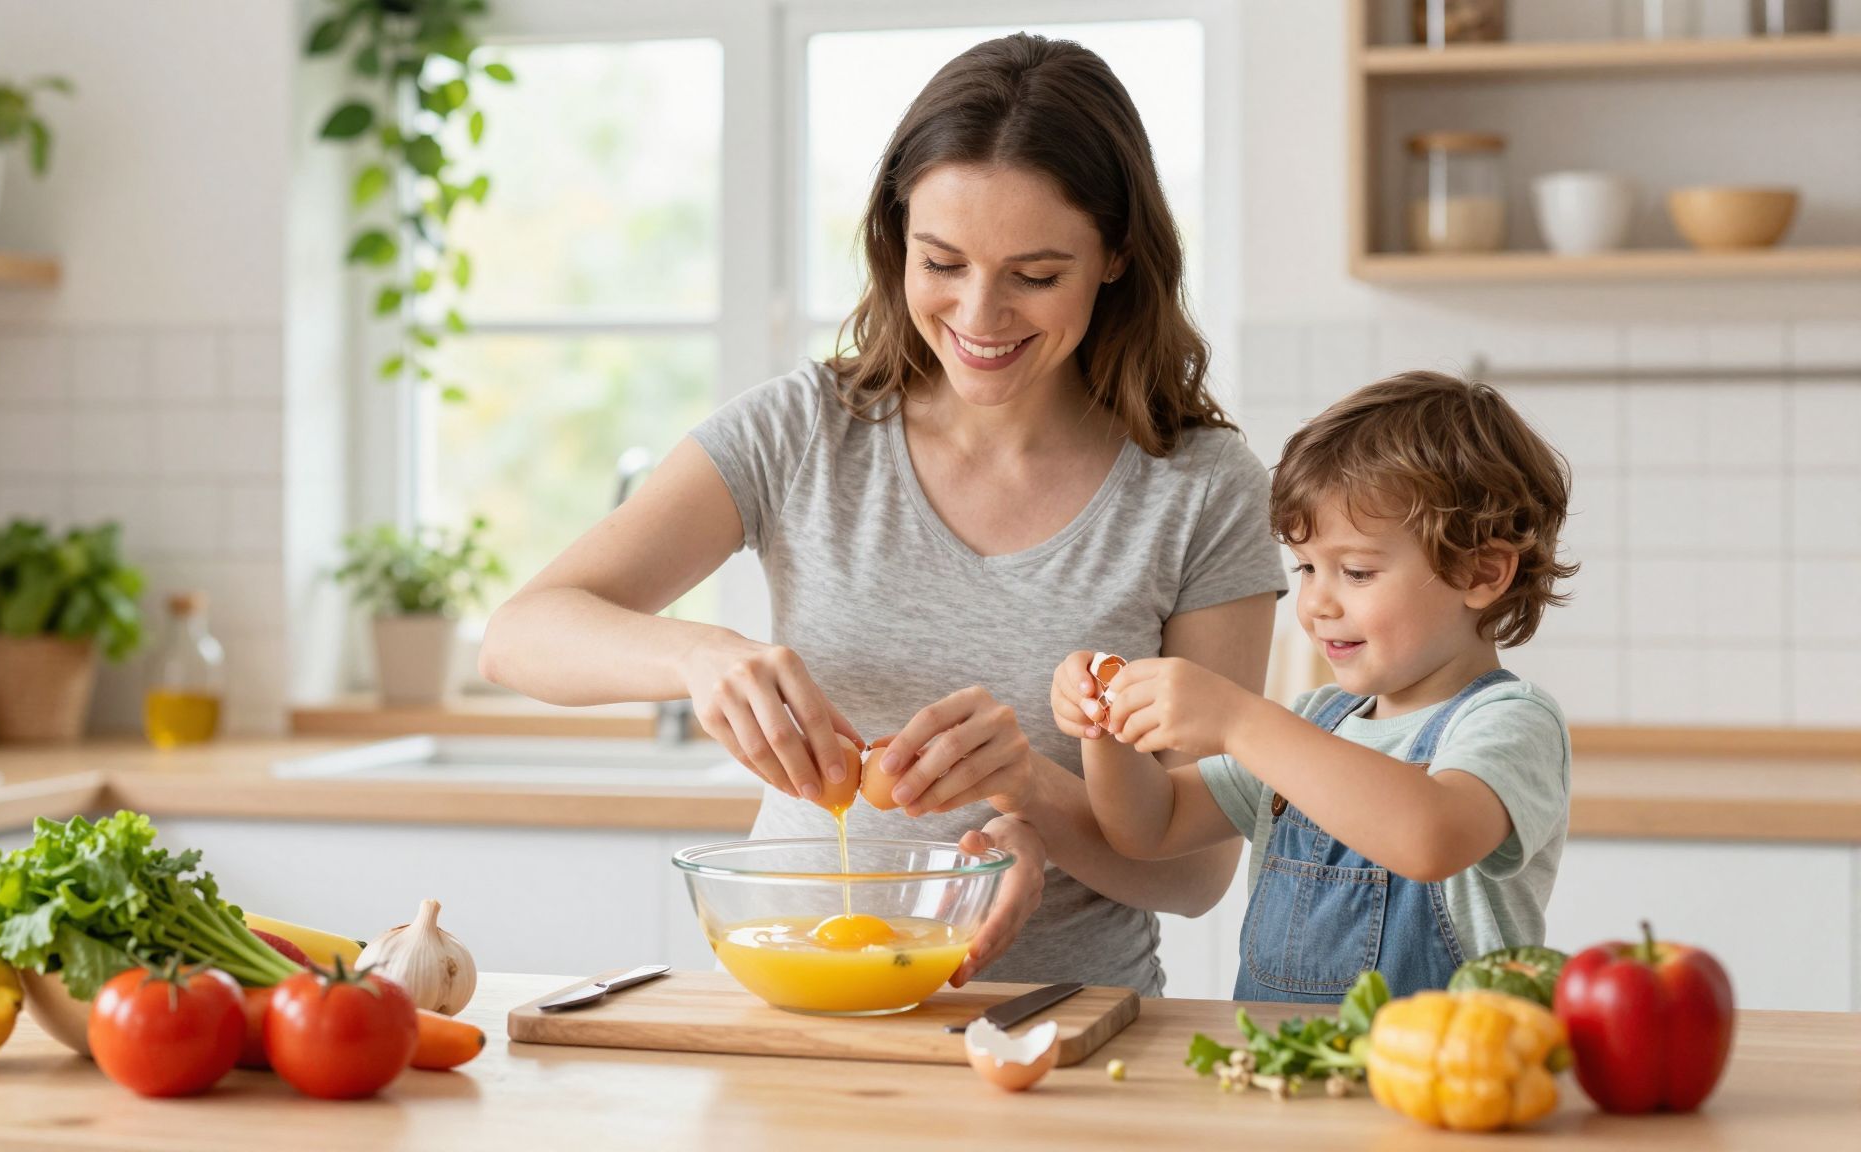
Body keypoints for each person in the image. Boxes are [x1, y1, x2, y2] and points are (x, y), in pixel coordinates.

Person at [479, 33, 1286, 996]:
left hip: (1061, 1029)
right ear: (894, 237)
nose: (980, 316)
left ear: (1115, 255)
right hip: (796, 1013)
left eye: (1035, 275)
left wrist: (1029, 788)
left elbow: (1194, 877)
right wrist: (699, 658)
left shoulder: (1201, 490)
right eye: (941, 261)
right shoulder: (806, 431)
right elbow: (518, 635)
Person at [1058, 371, 1578, 1002]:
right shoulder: (1314, 721)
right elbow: (1150, 827)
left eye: (1356, 571)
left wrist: (1239, 721)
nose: (1315, 604)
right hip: (1286, 1083)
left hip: (1439, 1088)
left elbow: (1429, 836)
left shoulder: (1507, 722)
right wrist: (1105, 726)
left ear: (1482, 571)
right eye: (1306, 567)